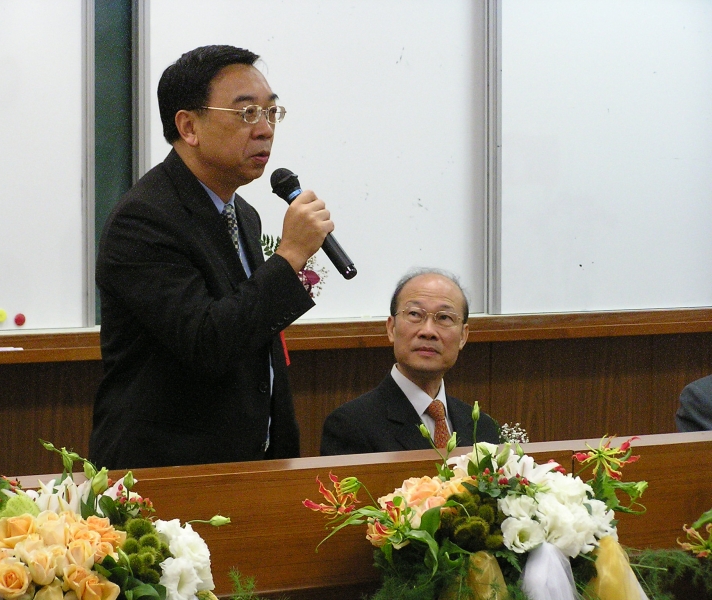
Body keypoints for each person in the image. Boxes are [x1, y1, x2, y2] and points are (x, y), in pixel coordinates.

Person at [89, 45, 333, 469]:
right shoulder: (143, 219)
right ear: (189, 126)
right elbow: (208, 343)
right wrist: (291, 254)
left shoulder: (244, 215)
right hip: (168, 473)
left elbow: (255, 340)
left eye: (271, 112)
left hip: (253, 463)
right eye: (247, 113)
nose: (265, 130)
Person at [320, 269, 499, 456]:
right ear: (391, 328)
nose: (428, 331)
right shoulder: (350, 425)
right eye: (415, 314)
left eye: (444, 317)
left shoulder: (483, 427)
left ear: (463, 336)